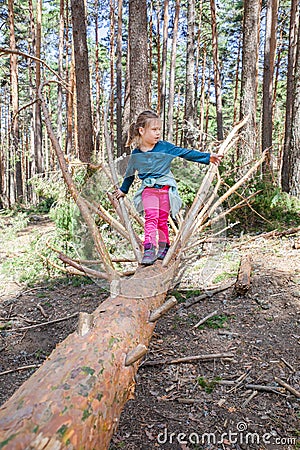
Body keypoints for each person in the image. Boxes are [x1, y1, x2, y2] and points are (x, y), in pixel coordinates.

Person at [116, 110, 223, 265]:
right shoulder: (136, 154)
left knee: (162, 221)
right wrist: (122, 190)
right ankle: (149, 249)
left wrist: (207, 157)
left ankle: (164, 247)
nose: (158, 133)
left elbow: (185, 153)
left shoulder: (165, 147)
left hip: (165, 190)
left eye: (159, 129)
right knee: (151, 218)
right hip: (149, 191)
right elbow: (130, 174)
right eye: (154, 129)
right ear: (141, 130)